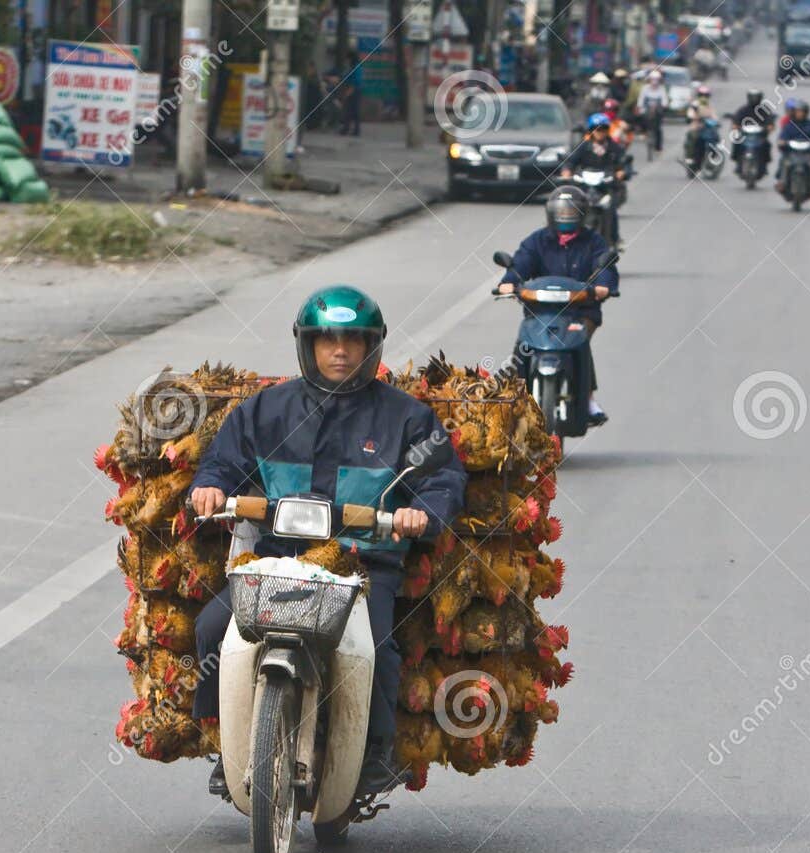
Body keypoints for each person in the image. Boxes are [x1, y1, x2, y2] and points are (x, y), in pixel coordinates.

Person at [189, 286, 466, 797]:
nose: (340, 351)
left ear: (372, 347)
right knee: (211, 629)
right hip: (277, 560)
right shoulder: (265, 411)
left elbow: (443, 478)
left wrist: (418, 513)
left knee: (376, 647)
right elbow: (224, 461)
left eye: (353, 341)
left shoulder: (407, 418)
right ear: (307, 346)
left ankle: (377, 751)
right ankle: (225, 743)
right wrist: (210, 486)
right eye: (328, 340)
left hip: (362, 568)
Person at [494, 187, 619, 425]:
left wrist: (604, 286)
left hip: (580, 312)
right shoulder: (537, 241)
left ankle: (589, 399)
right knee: (522, 349)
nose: (566, 216)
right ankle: (516, 400)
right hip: (540, 314)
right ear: (551, 213)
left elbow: (606, 269)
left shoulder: (594, 242)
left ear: (582, 214)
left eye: (571, 211)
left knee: (579, 343)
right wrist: (508, 283)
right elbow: (519, 265)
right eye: (561, 211)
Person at [776, 99, 810, 192]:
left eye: (802, 112)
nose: (799, 114)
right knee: (784, 161)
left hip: (807, 153)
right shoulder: (789, 124)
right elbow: (783, 136)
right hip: (792, 153)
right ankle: (782, 181)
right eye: (797, 112)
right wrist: (782, 142)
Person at [731, 87, 774, 177]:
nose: (754, 99)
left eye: (756, 97)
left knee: (767, 145)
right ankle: (738, 163)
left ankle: (764, 165)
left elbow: (770, 122)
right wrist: (735, 126)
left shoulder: (764, 110)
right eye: (752, 97)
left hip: (759, 136)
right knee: (736, 143)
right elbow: (736, 120)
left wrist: (768, 127)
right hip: (746, 136)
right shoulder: (743, 109)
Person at [635, 69, 668, 153]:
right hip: (646, 108)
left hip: (657, 110)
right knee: (640, 115)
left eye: (656, 79)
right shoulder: (645, 88)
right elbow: (641, 99)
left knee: (658, 128)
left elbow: (664, 100)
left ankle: (658, 147)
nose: (654, 81)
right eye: (653, 79)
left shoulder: (661, 88)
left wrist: (664, 105)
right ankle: (643, 131)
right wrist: (639, 106)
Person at [340, 59, 363, 136]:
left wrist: (347, 94)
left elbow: (354, 83)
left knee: (350, 111)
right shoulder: (357, 67)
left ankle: (348, 129)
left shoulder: (355, 68)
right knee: (353, 111)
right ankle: (353, 129)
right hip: (355, 90)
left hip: (353, 91)